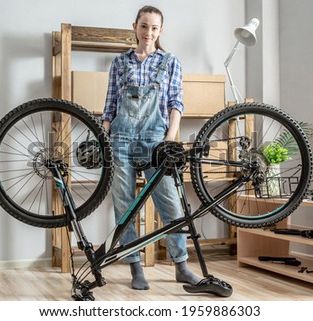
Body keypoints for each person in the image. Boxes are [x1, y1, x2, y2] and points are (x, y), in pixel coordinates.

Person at [101, 5, 202, 290]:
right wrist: (102, 138)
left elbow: (176, 103)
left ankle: (181, 265)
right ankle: (135, 267)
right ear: (134, 26)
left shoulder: (170, 61)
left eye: (154, 28)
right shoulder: (120, 62)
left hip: (156, 139)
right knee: (124, 204)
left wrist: (170, 138)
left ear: (160, 31)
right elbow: (109, 107)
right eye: (144, 26)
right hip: (120, 140)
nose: (148, 32)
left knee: (170, 201)